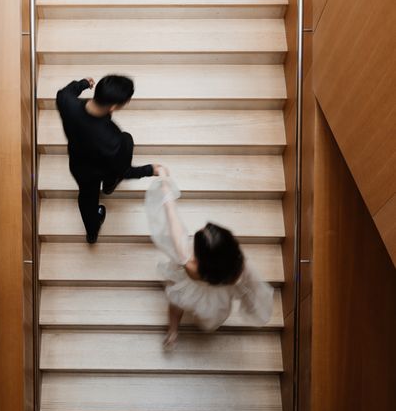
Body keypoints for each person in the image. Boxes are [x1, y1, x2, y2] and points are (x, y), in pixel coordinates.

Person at [145, 168, 274, 347]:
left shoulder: (187, 261)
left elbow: (171, 215)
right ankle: (202, 325)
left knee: (176, 302)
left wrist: (164, 181)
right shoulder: (237, 267)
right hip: (216, 298)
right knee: (210, 315)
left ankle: (173, 331)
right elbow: (252, 287)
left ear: (200, 257)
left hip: (189, 289)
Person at [57, 75, 162, 244]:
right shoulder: (112, 138)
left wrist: (83, 84)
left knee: (87, 198)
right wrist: (150, 170)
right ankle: (109, 184)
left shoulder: (66, 102)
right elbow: (124, 171)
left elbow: (66, 91)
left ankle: (92, 233)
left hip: (79, 166)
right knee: (126, 141)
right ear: (113, 107)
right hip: (100, 167)